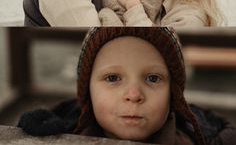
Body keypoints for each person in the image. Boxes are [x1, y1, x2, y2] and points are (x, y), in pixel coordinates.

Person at [18, 27, 236, 144]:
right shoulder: (60, 127)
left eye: (152, 78)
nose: (133, 95)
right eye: (113, 78)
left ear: (174, 95)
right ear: (87, 91)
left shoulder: (202, 138)